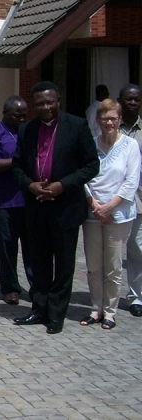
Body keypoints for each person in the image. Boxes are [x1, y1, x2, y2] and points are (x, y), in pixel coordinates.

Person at [12, 81, 99, 334]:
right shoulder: (27, 129)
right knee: (38, 263)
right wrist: (31, 186)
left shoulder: (77, 126)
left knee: (63, 265)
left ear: (58, 101)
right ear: (33, 105)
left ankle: (56, 314)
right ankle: (38, 309)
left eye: (50, 102)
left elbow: (91, 166)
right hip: (37, 205)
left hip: (65, 206)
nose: (46, 107)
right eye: (40, 104)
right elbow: (17, 167)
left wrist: (63, 185)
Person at [81, 99, 141, 330]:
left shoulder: (130, 146)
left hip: (119, 215)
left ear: (119, 120)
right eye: (105, 117)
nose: (109, 122)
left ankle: (110, 312)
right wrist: (95, 205)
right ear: (98, 120)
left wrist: (109, 207)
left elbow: (131, 181)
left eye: (113, 118)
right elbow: (84, 177)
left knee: (113, 267)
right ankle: (96, 309)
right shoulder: (90, 144)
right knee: (94, 266)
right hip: (92, 212)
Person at [0, 96, 34, 305]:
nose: (22, 119)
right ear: (5, 113)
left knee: (32, 247)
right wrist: (17, 162)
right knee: (7, 247)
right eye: (17, 115)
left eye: (24, 115)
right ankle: (10, 287)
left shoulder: (30, 131)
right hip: (5, 200)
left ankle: (36, 285)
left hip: (29, 200)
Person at [118, 84, 142, 318]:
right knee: (113, 253)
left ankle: (136, 297)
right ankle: (108, 298)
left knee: (136, 251)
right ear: (120, 101)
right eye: (128, 99)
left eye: (136, 99)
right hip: (112, 200)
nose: (132, 103)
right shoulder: (110, 127)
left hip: (138, 200)